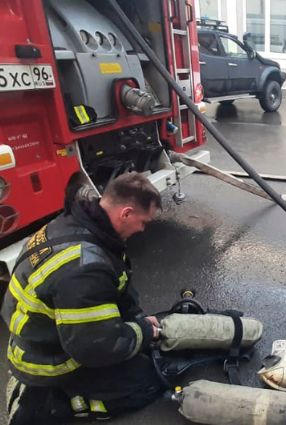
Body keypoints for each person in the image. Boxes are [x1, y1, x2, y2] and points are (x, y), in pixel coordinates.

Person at [2, 172, 164, 424]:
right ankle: (52, 404)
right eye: (144, 221)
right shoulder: (83, 268)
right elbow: (96, 348)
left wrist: (137, 317)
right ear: (126, 213)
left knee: (134, 352)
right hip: (48, 361)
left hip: (40, 335)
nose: (143, 229)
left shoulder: (78, 225)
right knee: (147, 381)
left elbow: (115, 287)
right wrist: (143, 332)